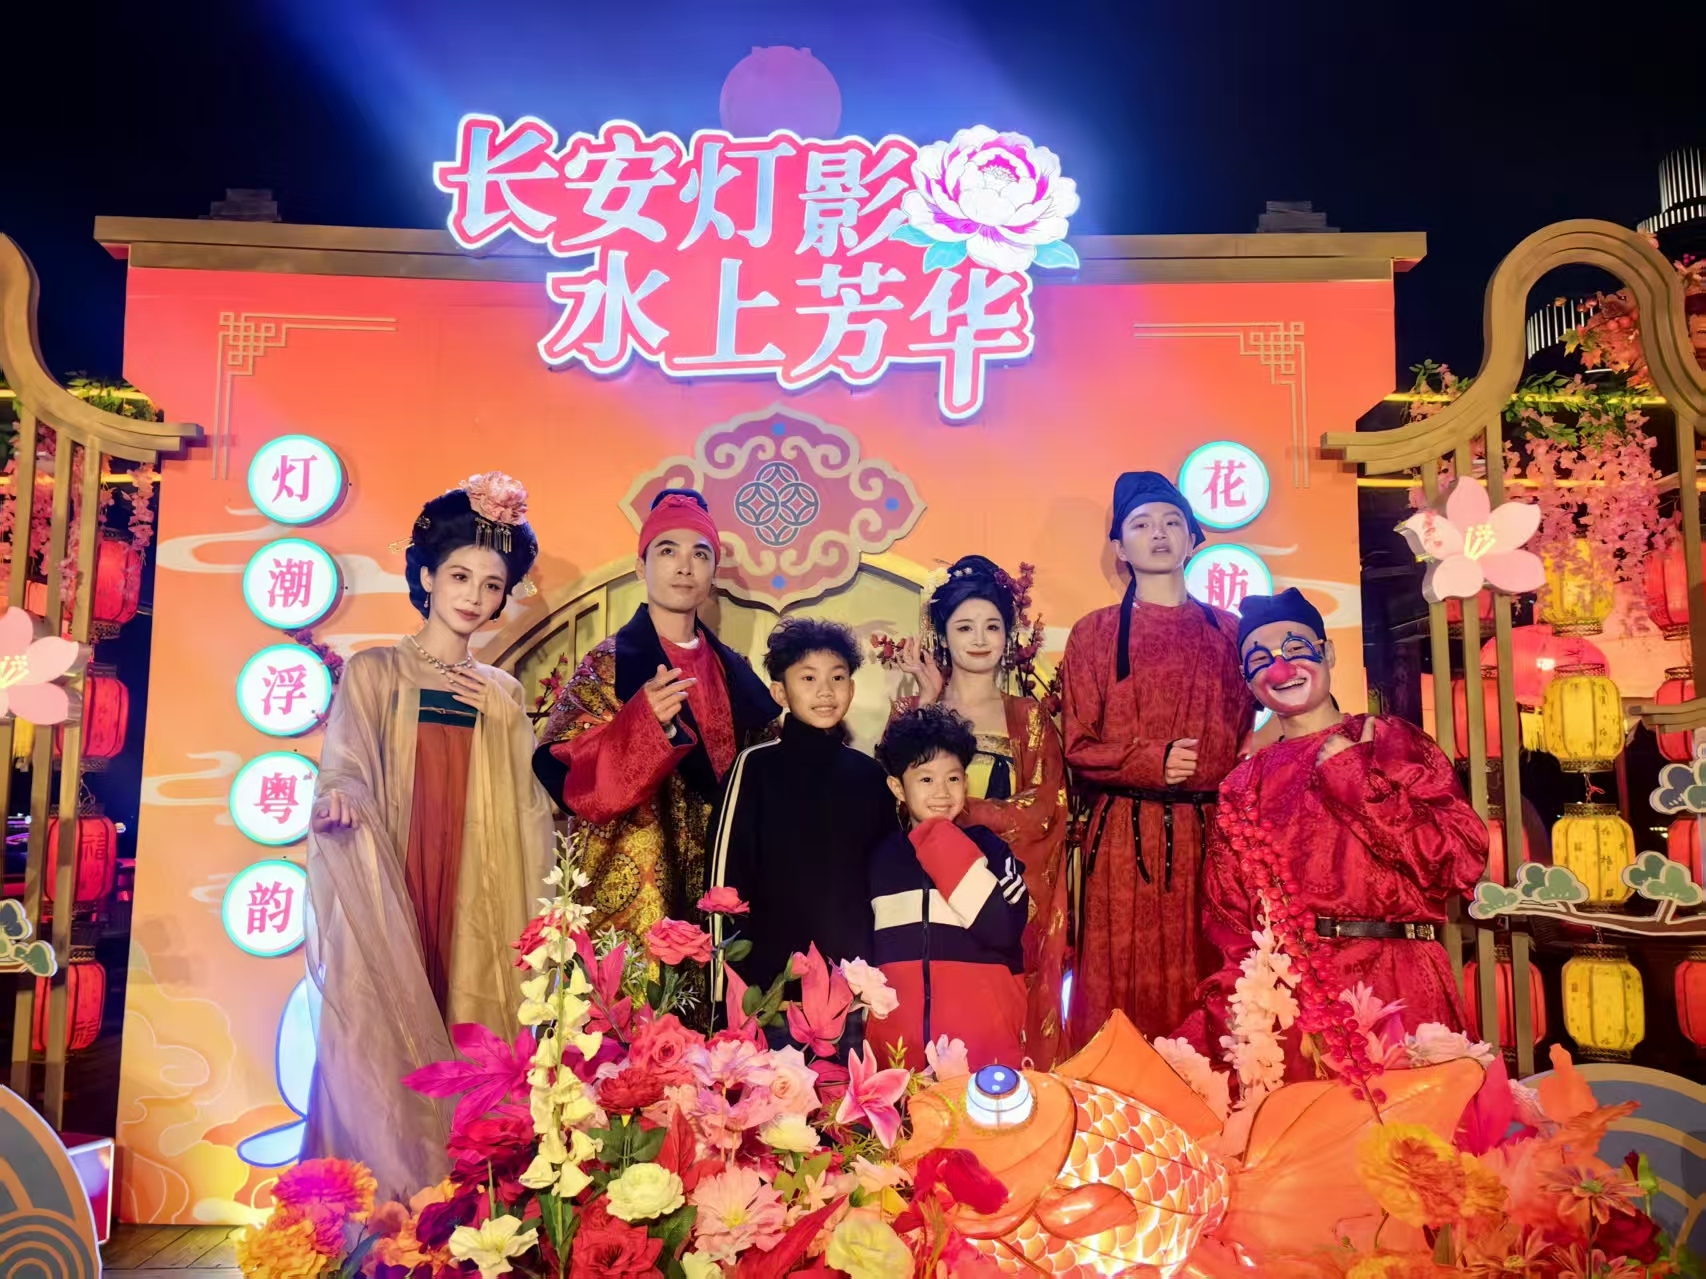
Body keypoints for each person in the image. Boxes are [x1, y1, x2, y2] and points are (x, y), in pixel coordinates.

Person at [304, 472, 555, 1199]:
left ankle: (470, 1202)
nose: (474, 595)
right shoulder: (376, 671)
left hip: (477, 882)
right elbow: (346, 764)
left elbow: (529, 804)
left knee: (472, 1013)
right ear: (426, 577)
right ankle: (380, 1197)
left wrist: (509, 725)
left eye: (491, 584)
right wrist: (341, 798)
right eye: (459, 576)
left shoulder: (502, 691)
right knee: (386, 1021)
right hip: (399, 871)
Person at [1194, 588, 1487, 1080]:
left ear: (1328, 653)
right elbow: (1230, 923)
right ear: (1247, 681)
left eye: (1296, 649)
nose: (1281, 669)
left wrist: (1358, 782)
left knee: (1416, 1128)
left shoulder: (1391, 740)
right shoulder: (1242, 785)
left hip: (1401, 984)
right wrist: (1236, 1020)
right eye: (1260, 660)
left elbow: (1460, 862)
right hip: (1295, 1004)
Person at [533, 489, 779, 953]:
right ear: (640, 567)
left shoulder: (736, 672)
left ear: (713, 573)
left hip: (723, 880)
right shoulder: (609, 664)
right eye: (667, 551)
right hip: (638, 878)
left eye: (699, 554)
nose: (685, 567)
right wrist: (642, 725)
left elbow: (768, 773)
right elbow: (563, 765)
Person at [1061, 471, 1253, 1045]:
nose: (1160, 534)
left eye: (1173, 522)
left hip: (1210, 835)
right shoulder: (1093, 634)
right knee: (1119, 983)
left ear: (1193, 539)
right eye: (1141, 524)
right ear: (1120, 548)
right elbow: (1077, 746)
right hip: (1122, 837)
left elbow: (1247, 736)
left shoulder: (1231, 632)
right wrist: (1150, 760)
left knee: (1210, 971)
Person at [894, 555, 1070, 1066]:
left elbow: (1044, 808)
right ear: (942, 635)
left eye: (991, 626)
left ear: (1008, 636)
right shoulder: (914, 713)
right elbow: (895, 800)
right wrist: (927, 704)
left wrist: (956, 812)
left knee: (998, 1022)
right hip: (929, 889)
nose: (978, 638)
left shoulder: (1028, 717)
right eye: (964, 626)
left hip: (1000, 891)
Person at [710, 617, 897, 1043]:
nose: (825, 691)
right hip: (769, 998)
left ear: (852, 688)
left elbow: (886, 887)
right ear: (780, 692)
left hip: (850, 998)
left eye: (837, 678)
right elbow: (724, 887)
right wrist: (728, 995)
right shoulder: (753, 768)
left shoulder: (870, 777)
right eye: (808, 678)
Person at [866, 705, 1029, 1072]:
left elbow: (1002, 930)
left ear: (965, 782)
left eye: (953, 778)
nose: (941, 792)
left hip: (983, 1047)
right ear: (897, 787)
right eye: (925, 780)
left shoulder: (990, 849)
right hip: (898, 1051)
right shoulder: (882, 858)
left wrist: (938, 838)